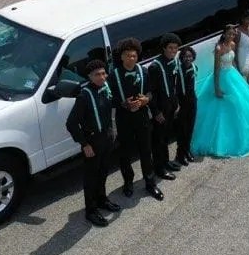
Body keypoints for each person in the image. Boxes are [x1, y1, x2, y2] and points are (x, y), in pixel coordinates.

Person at [191, 25, 249, 158]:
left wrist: (239, 75)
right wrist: (217, 88)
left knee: (242, 103)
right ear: (224, 34)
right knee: (221, 108)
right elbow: (216, 69)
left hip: (233, 75)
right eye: (229, 34)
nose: (231, 36)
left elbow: (233, 62)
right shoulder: (219, 48)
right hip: (222, 77)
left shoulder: (233, 44)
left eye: (233, 34)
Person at [108, 38, 166, 202]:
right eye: (128, 55)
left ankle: (150, 183)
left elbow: (150, 92)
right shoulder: (113, 75)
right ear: (122, 57)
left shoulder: (144, 71)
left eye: (134, 55)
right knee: (125, 152)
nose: (131, 58)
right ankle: (128, 182)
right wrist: (123, 103)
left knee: (146, 150)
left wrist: (146, 100)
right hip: (124, 118)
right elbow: (109, 98)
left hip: (142, 117)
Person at [65, 59, 122, 227]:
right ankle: (90, 210)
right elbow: (71, 123)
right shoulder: (84, 96)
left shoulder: (105, 88)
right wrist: (84, 144)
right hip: (92, 142)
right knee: (91, 176)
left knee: (103, 171)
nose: (102, 77)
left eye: (103, 73)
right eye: (97, 74)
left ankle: (102, 199)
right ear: (89, 76)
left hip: (106, 138)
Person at [148, 33, 182, 175]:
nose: (173, 51)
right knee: (158, 139)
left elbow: (173, 85)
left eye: (175, 48)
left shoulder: (173, 62)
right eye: (170, 48)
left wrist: (176, 103)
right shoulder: (155, 67)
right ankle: (159, 168)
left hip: (171, 106)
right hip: (160, 109)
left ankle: (166, 162)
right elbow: (150, 93)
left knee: (166, 136)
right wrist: (156, 112)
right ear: (164, 48)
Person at [174, 45, 198, 167]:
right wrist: (177, 105)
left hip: (192, 100)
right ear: (181, 58)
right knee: (182, 129)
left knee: (190, 127)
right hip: (182, 102)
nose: (188, 59)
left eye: (190, 56)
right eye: (185, 56)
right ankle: (180, 154)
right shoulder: (177, 71)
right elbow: (175, 89)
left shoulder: (194, 67)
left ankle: (187, 151)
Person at [235, 10, 249, 74]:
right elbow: (235, 50)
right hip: (242, 59)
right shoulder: (238, 32)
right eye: (248, 19)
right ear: (242, 19)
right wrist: (237, 65)